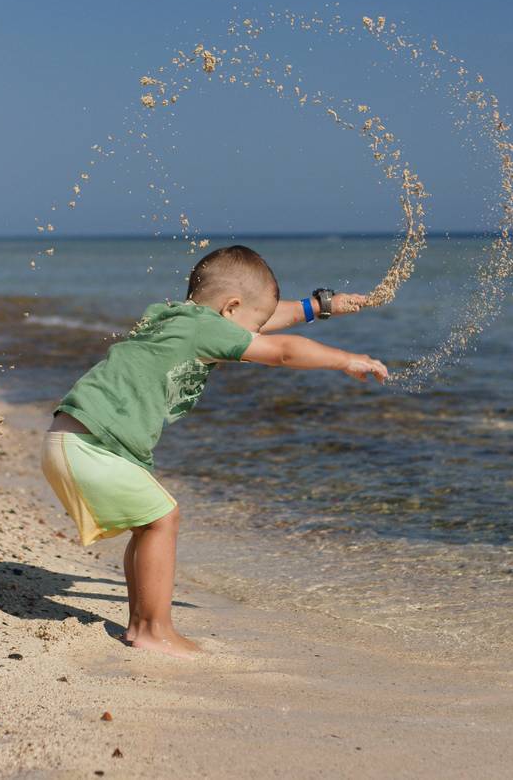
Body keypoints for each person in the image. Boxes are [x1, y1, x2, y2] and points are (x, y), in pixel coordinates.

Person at [40, 245, 388, 658]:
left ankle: (141, 625)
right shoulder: (203, 327)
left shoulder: (178, 319)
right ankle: (154, 630)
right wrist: (347, 359)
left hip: (71, 439)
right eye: (251, 326)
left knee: (149, 524)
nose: (254, 336)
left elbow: (263, 316)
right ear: (230, 308)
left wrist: (319, 306)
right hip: (91, 447)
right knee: (162, 520)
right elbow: (282, 351)